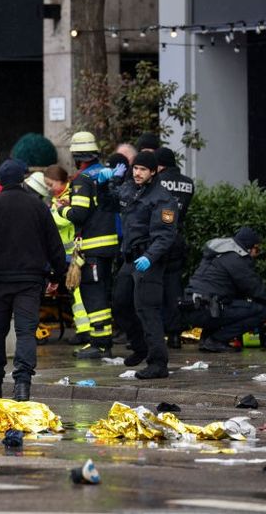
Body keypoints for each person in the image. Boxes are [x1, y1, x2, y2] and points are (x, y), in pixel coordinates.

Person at [0, 159, 66, 402]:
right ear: (22, 180)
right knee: (26, 332)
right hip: (30, 281)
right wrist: (56, 276)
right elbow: (55, 245)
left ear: (0, 182)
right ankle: (22, 385)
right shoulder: (38, 207)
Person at [98, 150, 179, 379]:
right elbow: (108, 204)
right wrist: (103, 185)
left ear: (153, 172)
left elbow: (165, 235)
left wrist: (150, 257)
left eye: (143, 169)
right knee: (121, 304)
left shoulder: (163, 199)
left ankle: (158, 363)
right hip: (131, 258)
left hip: (149, 259)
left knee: (147, 309)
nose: (137, 173)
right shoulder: (130, 188)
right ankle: (140, 346)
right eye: (135, 168)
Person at [55, 132, 118, 359]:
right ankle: (102, 341)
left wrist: (62, 209)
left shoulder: (82, 179)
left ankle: (100, 344)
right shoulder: (105, 174)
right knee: (102, 291)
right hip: (109, 245)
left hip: (93, 246)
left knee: (94, 294)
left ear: (76, 155)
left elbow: (80, 214)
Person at [184, 227, 266, 352]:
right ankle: (216, 340)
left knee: (223, 303)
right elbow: (256, 289)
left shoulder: (219, 255)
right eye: (256, 249)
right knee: (262, 311)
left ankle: (206, 340)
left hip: (193, 306)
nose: (256, 254)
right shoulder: (235, 259)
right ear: (248, 247)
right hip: (207, 308)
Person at [43, 165, 92, 344]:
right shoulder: (58, 198)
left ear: (62, 181)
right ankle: (83, 328)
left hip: (72, 254)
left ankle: (85, 330)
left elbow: (62, 220)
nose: (49, 188)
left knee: (77, 291)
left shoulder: (69, 198)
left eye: (50, 184)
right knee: (74, 293)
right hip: (65, 254)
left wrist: (50, 214)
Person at [155, 147, 195, 348]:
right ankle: (175, 334)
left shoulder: (157, 182)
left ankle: (156, 332)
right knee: (174, 287)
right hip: (177, 237)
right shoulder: (188, 183)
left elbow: (161, 210)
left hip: (159, 238)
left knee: (154, 286)